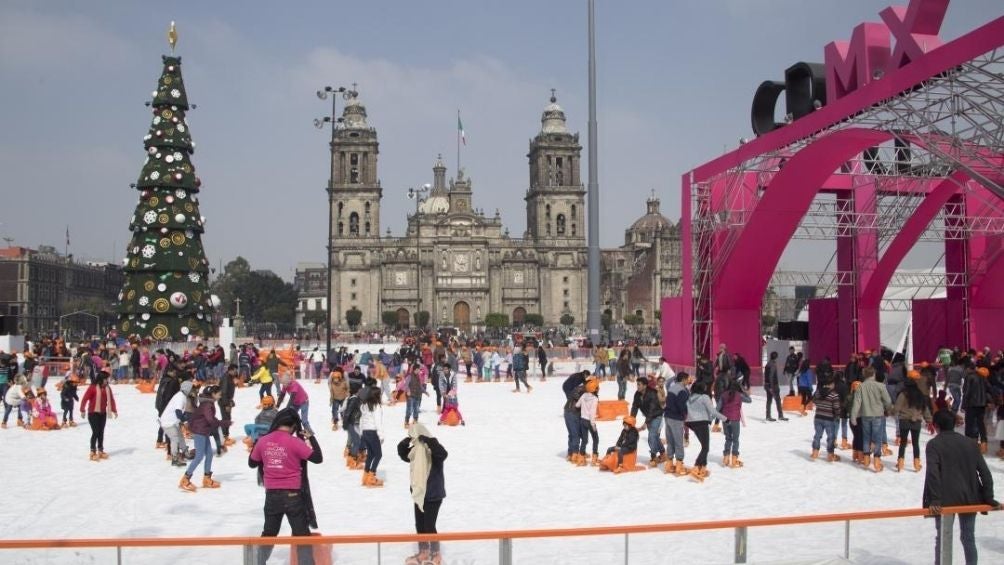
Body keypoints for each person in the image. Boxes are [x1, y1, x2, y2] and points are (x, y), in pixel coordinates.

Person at [923, 409, 999, 565]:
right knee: (968, 537)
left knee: (943, 538)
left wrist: (935, 499)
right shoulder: (970, 443)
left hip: (944, 499)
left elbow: (933, 474)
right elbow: (985, 472)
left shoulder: (934, 444)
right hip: (970, 497)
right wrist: (988, 496)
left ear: (936, 426)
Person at [249, 408, 323, 565]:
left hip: (272, 496)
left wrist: (258, 445)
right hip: (293, 496)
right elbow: (318, 458)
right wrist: (311, 438)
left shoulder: (263, 441)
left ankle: (257, 562)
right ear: (294, 426)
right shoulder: (295, 442)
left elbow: (252, 463)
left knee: (269, 533)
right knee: (302, 535)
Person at [398, 423, 448, 565]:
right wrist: (406, 441)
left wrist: (430, 441)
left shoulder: (433, 449)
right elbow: (403, 454)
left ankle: (435, 554)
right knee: (420, 525)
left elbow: (443, 454)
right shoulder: (416, 451)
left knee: (429, 525)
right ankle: (424, 552)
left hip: (433, 495)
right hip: (419, 494)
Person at [180, 384, 224, 492]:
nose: (220, 396)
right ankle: (185, 479)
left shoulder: (208, 403)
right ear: (213, 394)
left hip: (204, 431)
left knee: (209, 454)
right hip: (200, 432)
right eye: (219, 394)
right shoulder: (208, 404)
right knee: (199, 456)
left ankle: (206, 479)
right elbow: (209, 419)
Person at [850, 366, 893, 472]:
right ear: (873, 374)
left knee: (866, 438)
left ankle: (866, 458)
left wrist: (853, 416)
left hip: (865, 415)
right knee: (878, 438)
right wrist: (889, 410)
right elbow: (888, 401)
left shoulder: (861, 387)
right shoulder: (881, 386)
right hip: (878, 415)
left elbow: (857, 403)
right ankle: (877, 460)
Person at [685, 381, 726, 482]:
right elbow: (713, 411)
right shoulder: (704, 397)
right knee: (705, 448)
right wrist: (726, 419)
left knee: (704, 446)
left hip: (692, 423)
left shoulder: (689, 398)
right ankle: (696, 466)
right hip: (702, 423)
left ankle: (702, 467)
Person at [894, 371, 933, 472]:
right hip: (916, 422)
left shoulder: (903, 394)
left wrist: (890, 412)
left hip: (904, 421)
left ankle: (900, 463)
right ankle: (916, 464)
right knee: (916, 443)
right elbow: (925, 409)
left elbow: (897, 407)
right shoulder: (920, 395)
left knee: (903, 443)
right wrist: (929, 420)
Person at [79, 371, 117, 461]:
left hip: (103, 413)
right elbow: (85, 398)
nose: (107, 380)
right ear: (101, 379)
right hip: (93, 413)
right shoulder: (92, 388)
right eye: (106, 379)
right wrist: (82, 410)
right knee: (95, 432)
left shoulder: (107, 388)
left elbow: (111, 399)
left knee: (101, 432)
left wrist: (114, 410)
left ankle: (100, 450)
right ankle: (92, 451)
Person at [630, 377, 665, 467]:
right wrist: (631, 420)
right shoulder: (637, 394)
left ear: (645, 386)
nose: (637, 386)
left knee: (652, 435)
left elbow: (652, 410)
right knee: (655, 436)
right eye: (637, 384)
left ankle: (653, 457)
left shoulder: (652, 393)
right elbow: (634, 407)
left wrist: (646, 423)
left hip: (657, 415)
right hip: (649, 417)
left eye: (639, 384)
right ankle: (663, 453)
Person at [719, 378, 751, 467]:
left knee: (728, 438)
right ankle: (734, 459)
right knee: (735, 439)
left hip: (725, 419)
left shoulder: (723, 395)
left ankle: (726, 458)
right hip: (735, 419)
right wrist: (743, 391)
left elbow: (718, 408)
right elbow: (749, 400)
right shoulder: (739, 395)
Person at [663, 372, 690, 476]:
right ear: (683, 379)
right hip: (676, 418)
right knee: (678, 441)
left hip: (667, 416)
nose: (688, 381)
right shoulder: (682, 391)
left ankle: (669, 463)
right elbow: (681, 405)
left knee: (670, 440)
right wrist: (684, 415)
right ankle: (679, 464)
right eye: (687, 379)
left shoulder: (671, 388)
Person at [161, 380, 194, 467]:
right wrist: (184, 421)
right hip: (168, 422)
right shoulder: (181, 397)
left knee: (180, 437)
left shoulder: (182, 396)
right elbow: (178, 412)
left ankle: (186, 453)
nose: (192, 391)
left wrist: (184, 420)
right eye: (191, 389)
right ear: (187, 389)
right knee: (175, 439)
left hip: (173, 422)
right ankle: (175, 458)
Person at [810, 379, 843, 462]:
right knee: (831, 437)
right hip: (829, 418)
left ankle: (815, 452)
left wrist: (821, 405)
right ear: (831, 384)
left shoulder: (818, 392)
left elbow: (814, 401)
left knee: (817, 435)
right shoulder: (834, 394)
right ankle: (830, 455)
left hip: (818, 417)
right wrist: (837, 415)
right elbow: (836, 408)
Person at [562, 370, 590, 463]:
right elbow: (580, 403)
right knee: (576, 434)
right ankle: (575, 454)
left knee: (572, 434)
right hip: (572, 413)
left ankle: (571, 453)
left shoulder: (580, 388)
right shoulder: (582, 390)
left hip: (567, 411)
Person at [359, 386, 385, 487]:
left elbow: (361, 420)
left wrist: (362, 433)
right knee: (378, 455)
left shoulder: (364, 405)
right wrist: (381, 435)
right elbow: (378, 422)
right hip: (373, 432)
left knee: (370, 455)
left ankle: (365, 477)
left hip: (365, 432)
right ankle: (371, 477)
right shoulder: (376, 406)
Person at [962, 366, 991, 453]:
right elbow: (989, 391)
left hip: (971, 404)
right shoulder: (984, 380)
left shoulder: (970, 377)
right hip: (982, 405)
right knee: (980, 424)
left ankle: (969, 444)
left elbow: (966, 391)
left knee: (969, 424)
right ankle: (983, 444)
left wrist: (963, 404)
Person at [574, 378, 600, 466]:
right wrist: (593, 425)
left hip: (582, 420)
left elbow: (577, 405)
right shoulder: (595, 399)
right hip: (590, 421)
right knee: (596, 439)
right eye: (597, 387)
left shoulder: (584, 395)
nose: (598, 389)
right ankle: (594, 458)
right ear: (594, 389)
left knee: (584, 440)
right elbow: (592, 412)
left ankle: (581, 458)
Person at [764, 352, 787, 422]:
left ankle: (768, 416)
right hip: (773, 385)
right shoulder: (773, 364)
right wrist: (771, 386)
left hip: (767, 384)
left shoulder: (768, 364)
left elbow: (766, 374)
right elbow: (771, 376)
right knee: (778, 400)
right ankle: (780, 415)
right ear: (776, 357)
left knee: (769, 400)